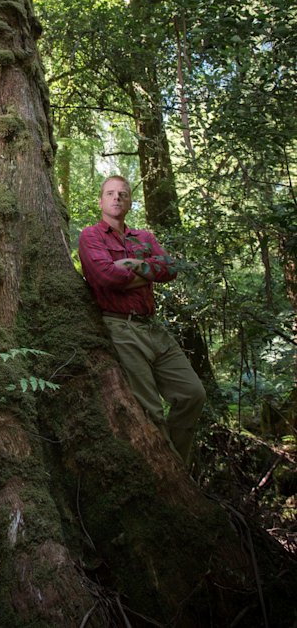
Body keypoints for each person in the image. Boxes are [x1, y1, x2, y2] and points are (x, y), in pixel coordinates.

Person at [78, 175, 206, 466]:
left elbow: (170, 267)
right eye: (110, 193)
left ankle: (177, 467)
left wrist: (134, 264)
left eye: (123, 193)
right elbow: (104, 277)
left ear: (130, 201)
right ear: (100, 201)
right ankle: (168, 476)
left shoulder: (144, 238)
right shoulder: (91, 236)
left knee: (193, 394)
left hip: (153, 327)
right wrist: (147, 274)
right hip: (120, 327)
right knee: (150, 412)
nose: (116, 198)